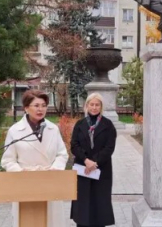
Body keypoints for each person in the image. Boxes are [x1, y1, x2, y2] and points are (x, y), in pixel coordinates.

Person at [1, 90, 68, 227]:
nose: (40, 109)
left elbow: (62, 154)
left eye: (43, 105)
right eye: (36, 105)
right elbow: (8, 160)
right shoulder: (15, 130)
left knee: (52, 221)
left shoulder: (52, 128)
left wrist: (56, 168)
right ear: (26, 108)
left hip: (49, 181)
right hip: (26, 183)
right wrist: (20, 173)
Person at [70, 93, 117, 227]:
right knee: (82, 202)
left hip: (101, 169)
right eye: (92, 104)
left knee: (99, 203)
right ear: (87, 105)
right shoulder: (80, 124)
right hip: (83, 168)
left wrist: (95, 162)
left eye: (97, 105)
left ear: (101, 107)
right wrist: (86, 160)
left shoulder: (108, 125)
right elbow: (74, 145)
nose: (94, 107)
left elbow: (109, 147)